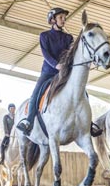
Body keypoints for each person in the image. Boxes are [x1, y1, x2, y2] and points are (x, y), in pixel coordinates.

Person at [16, 7, 73, 136]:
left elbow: (71, 54)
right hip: (48, 72)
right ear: (53, 20)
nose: (64, 20)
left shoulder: (68, 38)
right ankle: (28, 122)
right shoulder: (44, 36)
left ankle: (86, 123)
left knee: (79, 90)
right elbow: (46, 54)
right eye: (61, 18)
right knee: (35, 94)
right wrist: (56, 65)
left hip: (63, 72)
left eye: (64, 18)